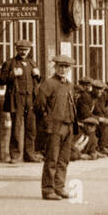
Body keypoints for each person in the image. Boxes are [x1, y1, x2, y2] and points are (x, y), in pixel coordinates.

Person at [34, 54, 77, 200]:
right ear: (55, 67)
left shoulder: (69, 84)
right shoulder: (49, 83)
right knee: (52, 158)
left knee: (64, 159)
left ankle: (59, 187)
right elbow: (39, 105)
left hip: (68, 125)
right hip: (54, 126)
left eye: (66, 67)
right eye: (60, 66)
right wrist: (48, 120)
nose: (63, 69)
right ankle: (48, 190)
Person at [0, 38, 40, 163]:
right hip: (16, 99)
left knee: (31, 128)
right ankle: (15, 156)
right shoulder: (10, 63)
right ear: (17, 50)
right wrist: (12, 74)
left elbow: (38, 82)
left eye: (26, 50)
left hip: (30, 99)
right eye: (21, 50)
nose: (23, 52)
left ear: (29, 50)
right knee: (17, 127)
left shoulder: (32, 63)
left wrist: (38, 75)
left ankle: (29, 154)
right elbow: (1, 80)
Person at [74, 78, 99, 159]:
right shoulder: (84, 97)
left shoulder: (90, 97)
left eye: (89, 86)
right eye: (84, 86)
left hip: (84, 121)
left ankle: (92, 150)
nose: (87, 88)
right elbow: (85, 114)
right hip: (78, 122)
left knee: (91, 134)